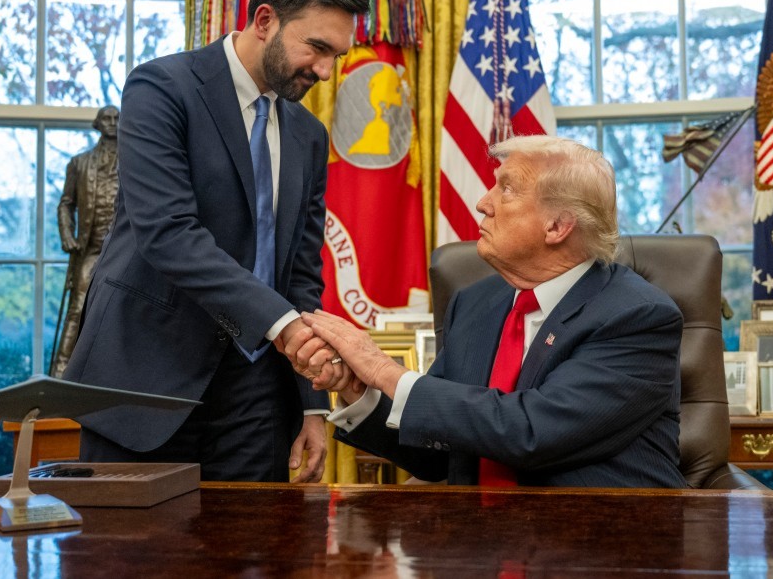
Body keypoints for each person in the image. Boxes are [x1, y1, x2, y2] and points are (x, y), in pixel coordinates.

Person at [62, 0, 368, 482]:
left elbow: (300, 270)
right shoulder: (161, 89)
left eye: (335, 56)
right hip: (145, 380)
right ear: (265, 20)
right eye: (316, 47)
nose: (324, 70)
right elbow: (169, 234)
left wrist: (311, 406)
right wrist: (286, 328)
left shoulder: (309, 136)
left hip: (258, 398)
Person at [287, 135, 687, 488]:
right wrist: (360, 390)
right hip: (481, 546)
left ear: (557, 226)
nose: (483, 203)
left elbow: (533, 432)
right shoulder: (475, 303)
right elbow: (440, 452)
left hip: (601, 546)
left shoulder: (637, 317)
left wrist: (386, 372)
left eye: (507, 190)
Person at [50, 105, 120, 379]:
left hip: (126, 252)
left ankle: (114, 379)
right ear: (98, 124)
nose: (113, 123)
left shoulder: (136, 161)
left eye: (117, 118)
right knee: (77, 309)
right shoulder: (79, 163)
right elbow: (65, 205)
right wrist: (67, 235)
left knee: (122, 314)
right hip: (90, 250)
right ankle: (60, 377)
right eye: (107, 118)